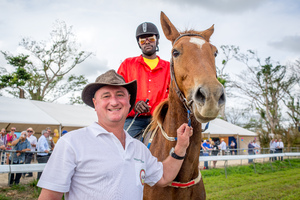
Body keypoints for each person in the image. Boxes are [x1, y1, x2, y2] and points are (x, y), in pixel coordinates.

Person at [37, 69, 192, 200]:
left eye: (120, 94)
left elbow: (163, 177)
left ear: (129, 102)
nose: (114, 102)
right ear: (95, 104)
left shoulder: (138, 148)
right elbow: (50, 196)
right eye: (106, 96)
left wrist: (181, 147)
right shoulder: (71, 142)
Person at [117, 22, 170, 138]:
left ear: (157, 40)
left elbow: (174, 95)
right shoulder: (127, 64)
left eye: (150, 38)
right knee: (122, 147)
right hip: (134, 120)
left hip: (161, 119)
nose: (147, 42)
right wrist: (133, 104)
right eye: (142, 40)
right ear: (139, 44)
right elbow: (118, 92)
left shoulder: (169, 68)